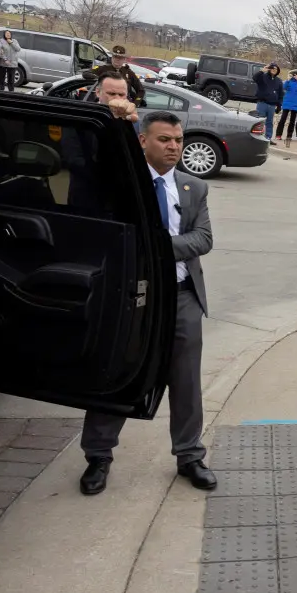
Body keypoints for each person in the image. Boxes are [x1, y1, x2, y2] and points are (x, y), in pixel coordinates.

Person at [79, 110, 218, 496]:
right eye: (164, 140)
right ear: (143, 141)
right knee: (118, 373)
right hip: (132, 299)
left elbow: (203, 240)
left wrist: (153, 246)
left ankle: (189, 455)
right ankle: (98, 456)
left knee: (187, 380)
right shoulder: (122, 186)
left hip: (183, 297)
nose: (174, 147)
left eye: (178, 139)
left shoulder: (193, 188)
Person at [253, 62, 284, 142]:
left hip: (272, 105)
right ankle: (258, 137)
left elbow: (281, 94)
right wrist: (262, 71)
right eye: (273, 68)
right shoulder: (263, 77)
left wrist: (279, 105)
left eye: (276, 69)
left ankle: (268, 138)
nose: (274, 70)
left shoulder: (279, 81)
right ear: (270, 69)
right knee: (259, 121)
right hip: (262, 103)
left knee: (269, 122)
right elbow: (255, 78)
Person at [276, 70, 297, 147]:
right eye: (293, 75)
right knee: (283, 119)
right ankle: (278, 134)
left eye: (296, 75)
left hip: (295, 104)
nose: (294, 76)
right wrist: (288, 80)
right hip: (287, 103)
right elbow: (284, 87)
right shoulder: (288, 82)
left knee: (292, 121)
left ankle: (289, 135)